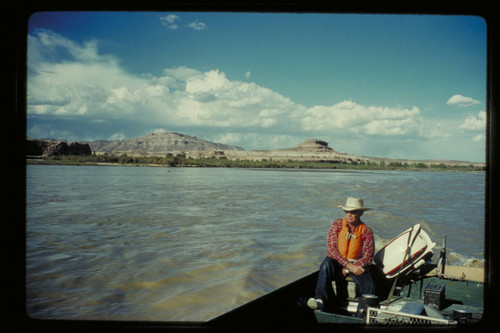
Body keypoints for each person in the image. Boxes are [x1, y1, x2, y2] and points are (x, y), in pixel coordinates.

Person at [307, 197, 375, 317]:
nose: (349, 215)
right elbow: (331, 250)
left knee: (368, 284)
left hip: (356, 265)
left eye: (353, 212)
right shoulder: (337, 225)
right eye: (346, 212)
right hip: (338, 262)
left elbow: (368, 257)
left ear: (361, 213)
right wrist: (347, 265)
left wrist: (349, 268)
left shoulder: (366, 231)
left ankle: (363, 312)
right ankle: (320, 300)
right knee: (326, 264)